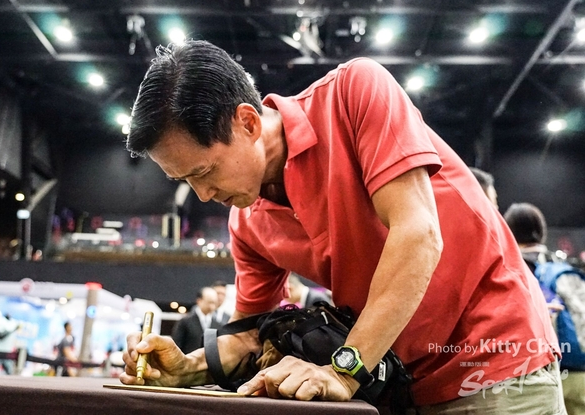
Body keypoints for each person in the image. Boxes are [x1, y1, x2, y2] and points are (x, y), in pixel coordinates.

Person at [120, 40, 563, 414]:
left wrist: (344, 370)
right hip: (398, 388)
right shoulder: (248, 222)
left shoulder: (354, 93)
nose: (201, 195)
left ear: (248, 122)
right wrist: (189, 367)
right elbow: (250, 333)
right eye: (185, 181)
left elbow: (418, 235)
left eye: (204, 171)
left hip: (495, 365)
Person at [505, 202, 585, 415]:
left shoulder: (509, 268)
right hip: (579, 371)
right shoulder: (561, 266)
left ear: (509, 231)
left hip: (533, 374)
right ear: (541, 232)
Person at [171, 287, 219, 354]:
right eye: (209, 302)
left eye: (214, 303)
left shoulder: (218, 325)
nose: (212, 306)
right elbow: (176, 345)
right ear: (199, 301)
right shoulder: (185, 322)